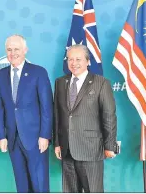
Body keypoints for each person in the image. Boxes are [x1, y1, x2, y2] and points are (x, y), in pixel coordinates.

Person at [53, 44, 117, 193]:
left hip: (91, 149)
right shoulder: (60, 82)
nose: (74, 63)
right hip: (67, 148)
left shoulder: (101, 83)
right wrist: (57, 142)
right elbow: (57, 114)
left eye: (78, 59)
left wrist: (109, 146)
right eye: (70, 59)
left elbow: (109, 116)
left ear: (88, 61)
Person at [0, 34, 53, 192]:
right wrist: (1, 136)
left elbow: (47, 106)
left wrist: (45, 135)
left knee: (39, 184)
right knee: (22, 185)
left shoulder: (38, 72)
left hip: (35, 139)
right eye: (9, 49)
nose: (13, 53)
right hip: (13, 139)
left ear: (25, 50)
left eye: (17, 49)